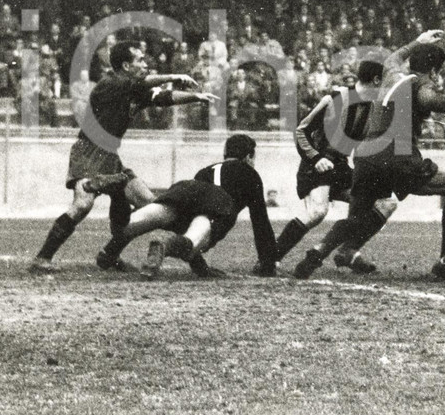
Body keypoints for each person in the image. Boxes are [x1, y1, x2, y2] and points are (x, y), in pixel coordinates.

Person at [292, 30, 445, 281]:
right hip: (398, 158)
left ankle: (319, 252)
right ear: (434, 71)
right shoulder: (422, 83)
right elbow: (428, 98)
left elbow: (393, 58)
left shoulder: (391, 74)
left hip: (365, 157)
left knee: (359, 216)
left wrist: (417, 42)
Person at [29, 41, 218, 273]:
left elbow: (163, 97)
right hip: (89, 150)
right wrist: (174, 76)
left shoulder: (133, 89)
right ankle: (42, 258)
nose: (145, 63)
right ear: (126, 66)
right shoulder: (112, 83)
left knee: (151, 206)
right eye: (140, 60)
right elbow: (146, 84)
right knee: (83, 205)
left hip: (110, 156)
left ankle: (109, 255)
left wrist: (196, 96)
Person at [96, 134, 279, 278]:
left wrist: (201, 267)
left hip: (186, 188)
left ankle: (117, 196)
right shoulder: (250, 174)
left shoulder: (205, 171)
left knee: (134, 223)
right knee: (194, 237)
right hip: (221, 202)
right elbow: (260, 222)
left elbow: (187, 218)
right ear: (248, 157)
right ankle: (165, 245)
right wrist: (267, 263)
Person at [272, 60, 384, 269]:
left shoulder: (372, 108)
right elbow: (301, 131)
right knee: (317, 212)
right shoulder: (335, 99)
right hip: (316, 166)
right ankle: (270, 257)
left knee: (381, 202)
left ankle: (348, 252)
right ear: (376, 80)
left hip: (340, 167)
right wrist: (316, 158)